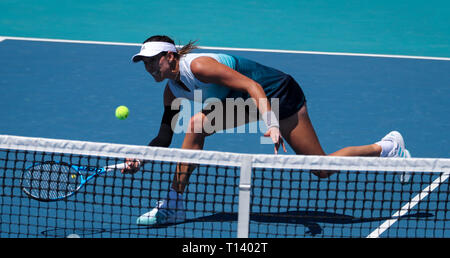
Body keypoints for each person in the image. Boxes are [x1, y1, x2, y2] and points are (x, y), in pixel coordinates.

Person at [123, 35, 411, 225]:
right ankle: (174, 203)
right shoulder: (172, 93)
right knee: (196, 124)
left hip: (279, 94)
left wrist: (271, 124)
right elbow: (163, 138)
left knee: (321, 168)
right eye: (145, 63)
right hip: (243, 102)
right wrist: (141, 158)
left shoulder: (199, 67)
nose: (149, 67)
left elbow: (253, 86)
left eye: (154, 60)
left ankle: (386, 147)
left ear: (171, 56)